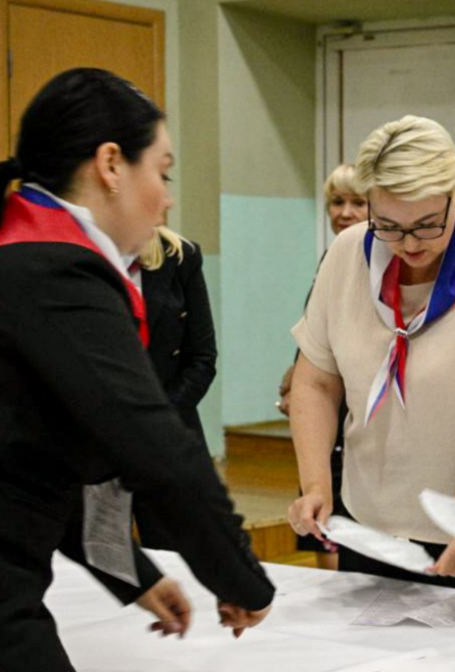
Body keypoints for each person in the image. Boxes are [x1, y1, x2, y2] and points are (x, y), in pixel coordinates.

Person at [0, 68, 273, 672]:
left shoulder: (23, 250)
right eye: (164, 171)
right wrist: (244, 580)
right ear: (111, 164)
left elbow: (47, 463)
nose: (168, 196)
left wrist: (135, 575)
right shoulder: (55, 272)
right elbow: (157, 453)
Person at [286, 116, 455, 598]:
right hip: (368, 526)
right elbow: (316, 383)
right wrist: (316, 486)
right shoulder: (347, 255)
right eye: (388, 225)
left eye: (428, 225)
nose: (409, 244)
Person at [277, 164, 367, 570]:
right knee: (323, 528)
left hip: (357, 415)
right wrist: (297, 379)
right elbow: (318, 337)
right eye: (336, 202)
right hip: (327, 420)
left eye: (357, 202)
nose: (345, 212)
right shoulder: (332, 259)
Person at [130, 226, 218, 550]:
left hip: (168, 430)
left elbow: (202, 359)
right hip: (96, 438)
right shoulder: (73, 252)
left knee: (179, 558)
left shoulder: (181, 255)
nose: (166, 198)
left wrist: (157, 422)